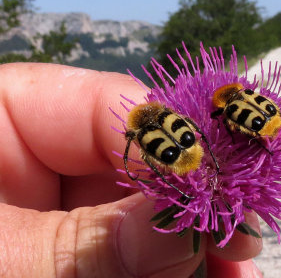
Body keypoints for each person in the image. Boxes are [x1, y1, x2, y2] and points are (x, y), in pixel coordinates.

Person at [0, 62, 263, 278]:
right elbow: (187, 126)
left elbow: (141, 150)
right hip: (188, 151)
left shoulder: (137, 133)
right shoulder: (169, 115)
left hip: (177, 160)